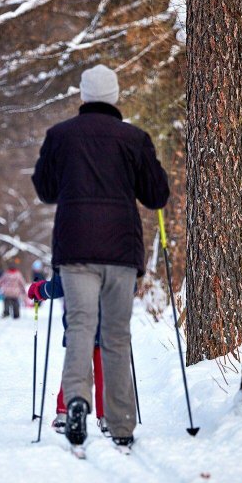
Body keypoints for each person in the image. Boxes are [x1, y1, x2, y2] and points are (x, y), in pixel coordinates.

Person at [32, 64, 169, 449]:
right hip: (122, 250)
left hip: (75, 248)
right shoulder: (134, 138)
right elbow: (156, 195)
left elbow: (45, 189)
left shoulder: (60, 136)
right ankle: (121, 422)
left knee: (79, 326)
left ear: (83, 95)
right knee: (115, 335)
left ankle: (76, 401)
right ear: (115, 96)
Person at [27, 276, 106, 434]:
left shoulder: (71, 253)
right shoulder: (113, 254)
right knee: (104, 372)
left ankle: (64, 413)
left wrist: (38, 290)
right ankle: (107, 417)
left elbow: (58, 285)